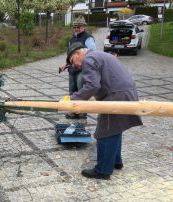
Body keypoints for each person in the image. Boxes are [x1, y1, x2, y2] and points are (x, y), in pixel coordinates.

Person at [66, 42, 143, 180]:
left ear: (78, 53)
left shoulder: (88, 60)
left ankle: (103, 170)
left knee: (105, 131)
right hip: (126, 93)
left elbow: (92, 86)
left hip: (116, 96)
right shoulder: (98, 54)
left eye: (72, 61)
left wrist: (72, 99)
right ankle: (115, 162)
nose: (74, 65)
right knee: (115, 128)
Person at [61, 16, 96, 119]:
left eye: (78, 27)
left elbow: (92, 53)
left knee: (81, 91)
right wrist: (66, 64)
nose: (76, 29)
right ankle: (73, 111)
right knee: (72, 91)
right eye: (74, 27)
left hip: (82, 70)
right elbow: (70, 55)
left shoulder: (88, 38)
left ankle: (82, 111)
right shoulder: (72, 39)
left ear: (83, 27)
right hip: (72, 70)